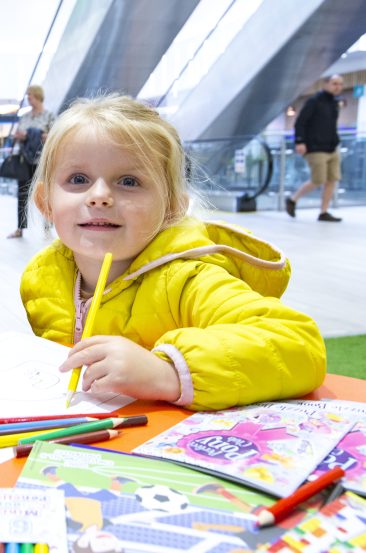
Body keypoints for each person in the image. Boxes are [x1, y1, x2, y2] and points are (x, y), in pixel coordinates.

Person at [20, 94, 325, 411]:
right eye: (78, 179)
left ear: (172, 208)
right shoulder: (41, 280)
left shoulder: (187, 281)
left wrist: (168, 372)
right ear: (45, 203)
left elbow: (298, 344)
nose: (99, 196)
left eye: (128, 181)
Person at [286, 74, 344, 222]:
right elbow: (300, 123)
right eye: (334, 83)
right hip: (315, 148)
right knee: (318, 180)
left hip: (332, 147)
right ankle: (293, 199)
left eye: (339, 84)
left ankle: (323, 212)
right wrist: (300, 141)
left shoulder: (335, 103)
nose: (337, 87)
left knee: (332, 180)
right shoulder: (314, 101)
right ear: (326, 84)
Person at [8, 84, 55, 239]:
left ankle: (47, 227)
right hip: (25, 159)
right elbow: (17, 134)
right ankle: (20, 228)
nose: (29, 98)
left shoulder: (48, 115)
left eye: (31, 96)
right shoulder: (25, 116)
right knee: (22, 194)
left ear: (38, 96)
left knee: (44, 193)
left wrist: (42, 135)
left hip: (41, 160)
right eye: (28, 96)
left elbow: (54, 136)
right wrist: (23, 135)